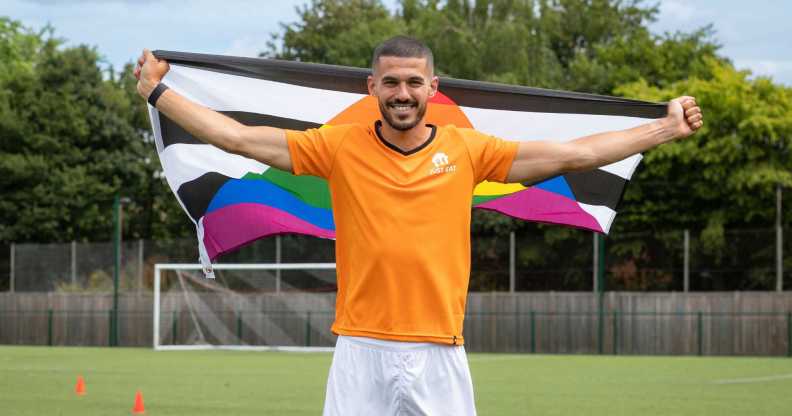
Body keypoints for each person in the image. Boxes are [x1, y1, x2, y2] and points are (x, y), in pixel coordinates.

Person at [135, 36, 702, 415]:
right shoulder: (336, 147)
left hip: (439, 349)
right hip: (359, 346)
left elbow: (572, 154)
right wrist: (159, 93)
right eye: (390, 83)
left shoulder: (471, 151)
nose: (401, 93)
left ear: (433, 88)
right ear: (372, 88)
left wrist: (663, 130)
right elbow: (237, 137)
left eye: (413, 82)